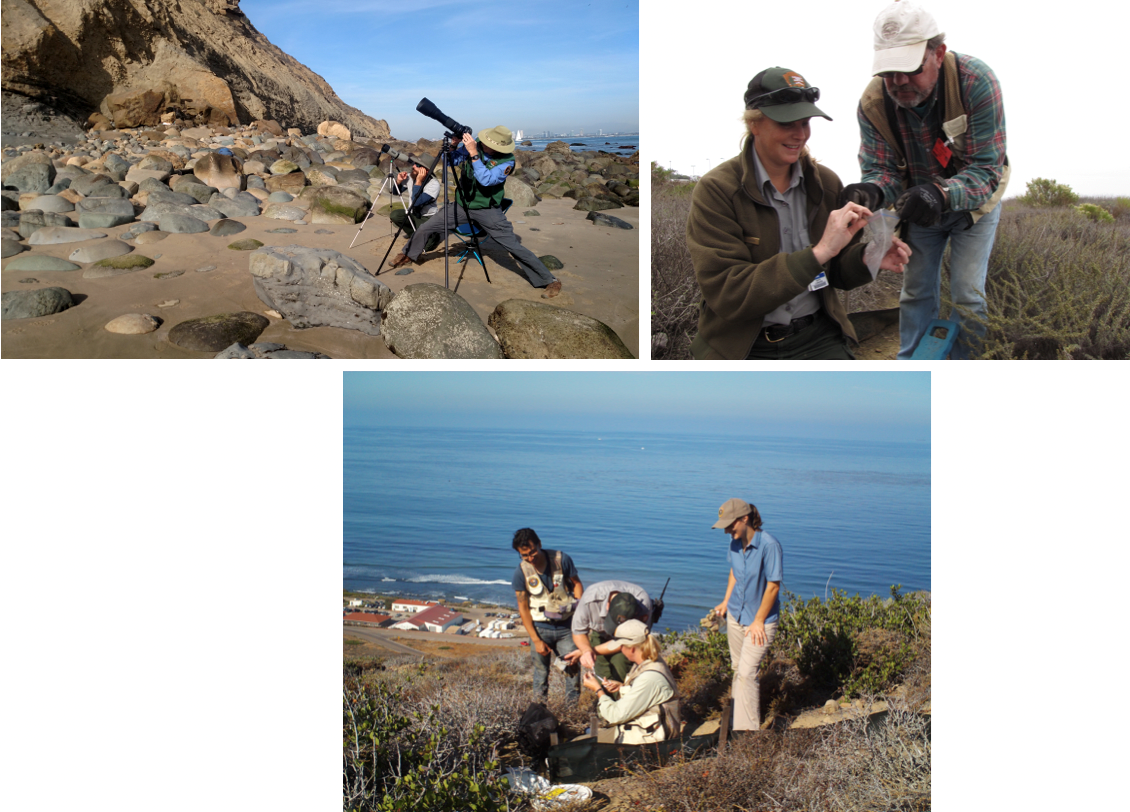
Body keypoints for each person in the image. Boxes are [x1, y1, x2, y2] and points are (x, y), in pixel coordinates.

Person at [686, 67, 910, 360]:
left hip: (817, 337)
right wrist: (819, 253)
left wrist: (870, 257)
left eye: (805, 122)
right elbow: (728, 293)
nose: (800, 134)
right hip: (744, 347)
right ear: (754, 123)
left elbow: (838, 273)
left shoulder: (827, 185)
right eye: (786, 122)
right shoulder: (717, 190)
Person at [842, 1, 1009, 359]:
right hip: (918, 210)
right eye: (888, 71)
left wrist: (942, 193)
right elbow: (882, 169)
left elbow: (986, 169)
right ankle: (913, 369)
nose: (898, 81)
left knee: (967, 294)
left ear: (938, 53)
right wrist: (872, 189)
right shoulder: (873, 102)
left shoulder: (975, 82)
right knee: (915, 289)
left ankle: (968, 363)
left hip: (974, 208)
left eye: (910, 68)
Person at [390, 126, 562, 297]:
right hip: (462, 204)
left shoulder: (507, 161)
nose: (485, 146)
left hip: (487, 208)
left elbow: (486, 180)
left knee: (513, 246)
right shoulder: (477, 144)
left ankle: (549, 279)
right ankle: (407, 255)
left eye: (489, 145)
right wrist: (453, 146)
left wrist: (473, 153)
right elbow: (451, 161)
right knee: (427, 227)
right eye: (485, 143)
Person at [711, 498, 783, 731]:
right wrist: (724, 601)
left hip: (760, 622)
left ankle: (748, 734)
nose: (726, 530)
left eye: (730, 524)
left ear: (745, 519)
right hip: (735, 616)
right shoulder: (734, 543)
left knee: (747, 672)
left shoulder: (769, 545)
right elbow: (734, 572)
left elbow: (773, 586)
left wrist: (759, 621)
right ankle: (735, 724)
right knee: (737, 670)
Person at [511, 528, 584, 703]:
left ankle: (570, 713)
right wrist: (536, 640)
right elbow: (523, 608)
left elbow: (577, 584)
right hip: (540, 628)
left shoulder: (561, 560)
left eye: (533, 552)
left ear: (540, 544)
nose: (531, 558)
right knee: (540, 675)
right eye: (525, 555)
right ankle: (539, 713)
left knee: (572, 671)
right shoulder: (521, 572)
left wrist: (580, 610)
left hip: (566, 627)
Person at [582, 619, 682, 744]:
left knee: (581, 744)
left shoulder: (650, 677)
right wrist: (622, 687)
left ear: (632, 649)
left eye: (621, 646)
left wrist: (598, 690)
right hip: (646, 729)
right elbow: (649, 694)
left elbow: (615, 715)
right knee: (589, 736)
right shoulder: (650, 661)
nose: (620, 650)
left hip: (651, 741)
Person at [566, 580, 653, 686]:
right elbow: (578, 632)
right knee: (601, 674)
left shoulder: (644, 605)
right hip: (599, 634)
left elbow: (630, 641)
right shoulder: (589, 599)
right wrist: (586, 651)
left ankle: (621, 698)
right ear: (607, 606)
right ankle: (604, 698)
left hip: (626, 640)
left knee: (622, 668)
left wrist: (589, 651)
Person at [389, 163, 442, 253]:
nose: (413, 166)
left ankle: (433, 236)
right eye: (414, 164)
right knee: (395, 215)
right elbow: (395, 192)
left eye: (417, 165)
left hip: (427, 216)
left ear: (426, 171)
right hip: (413, 213)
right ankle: (413, 234)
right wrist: (398, 181)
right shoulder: (411, 177)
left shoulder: (434, 184)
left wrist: (418, 182)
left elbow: (416, 202)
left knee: (426, 247)